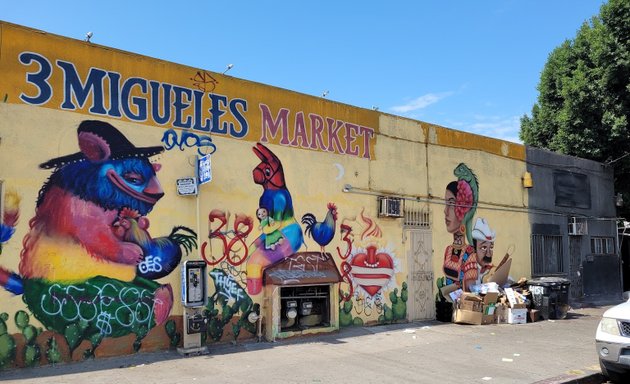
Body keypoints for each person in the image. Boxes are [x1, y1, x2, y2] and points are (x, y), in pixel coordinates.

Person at [442, 164, 479, 292]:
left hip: (464, 308)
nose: (445, 211)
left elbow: (471, 290)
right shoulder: (448, 250)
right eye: (446, 204)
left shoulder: (470, 254)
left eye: (451, 203)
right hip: (449, 309)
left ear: (463, 208)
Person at [471, 217, 495, 285]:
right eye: (484, 248)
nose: (488, 254)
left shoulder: (493, 271)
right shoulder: (467, 272)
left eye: (491, 248)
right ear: (474, 249)